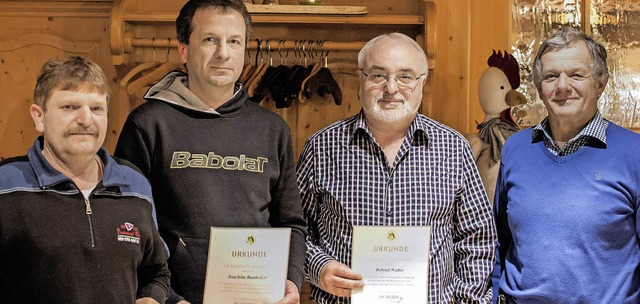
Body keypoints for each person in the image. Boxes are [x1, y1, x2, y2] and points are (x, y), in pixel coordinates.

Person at [114, 0, 306, 303]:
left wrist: (292, 280)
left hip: (257, 297)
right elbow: (127, 226)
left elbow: (291, 221)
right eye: (209, 40)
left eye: (234, 41)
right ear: (183, 49)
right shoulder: (148, 124)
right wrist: (162, 295)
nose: (223, 53)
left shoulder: (272, 129)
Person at [297, 32, 496, 304]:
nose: (391, 88)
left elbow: (477, 237)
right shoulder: (321, 147)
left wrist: (466, 300)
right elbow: (295, 229)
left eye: (405, 76)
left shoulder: (453, 148)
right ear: (361, 80)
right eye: (378, 75)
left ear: (422, 83)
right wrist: (318, 268)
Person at [0, 56, 170, 303]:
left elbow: (157, 271)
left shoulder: (135, 186)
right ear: (39, 117)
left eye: (96, 108)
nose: (86, 119)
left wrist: (151, 298)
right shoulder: (5, 186)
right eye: (70, 107)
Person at [493, 26, 640, 303]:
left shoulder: (634, 153)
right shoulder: (516, 149)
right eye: (551, 76)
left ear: (600, 83)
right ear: (538, 88)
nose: (562, 86)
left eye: (576, 75)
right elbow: (499, 240)